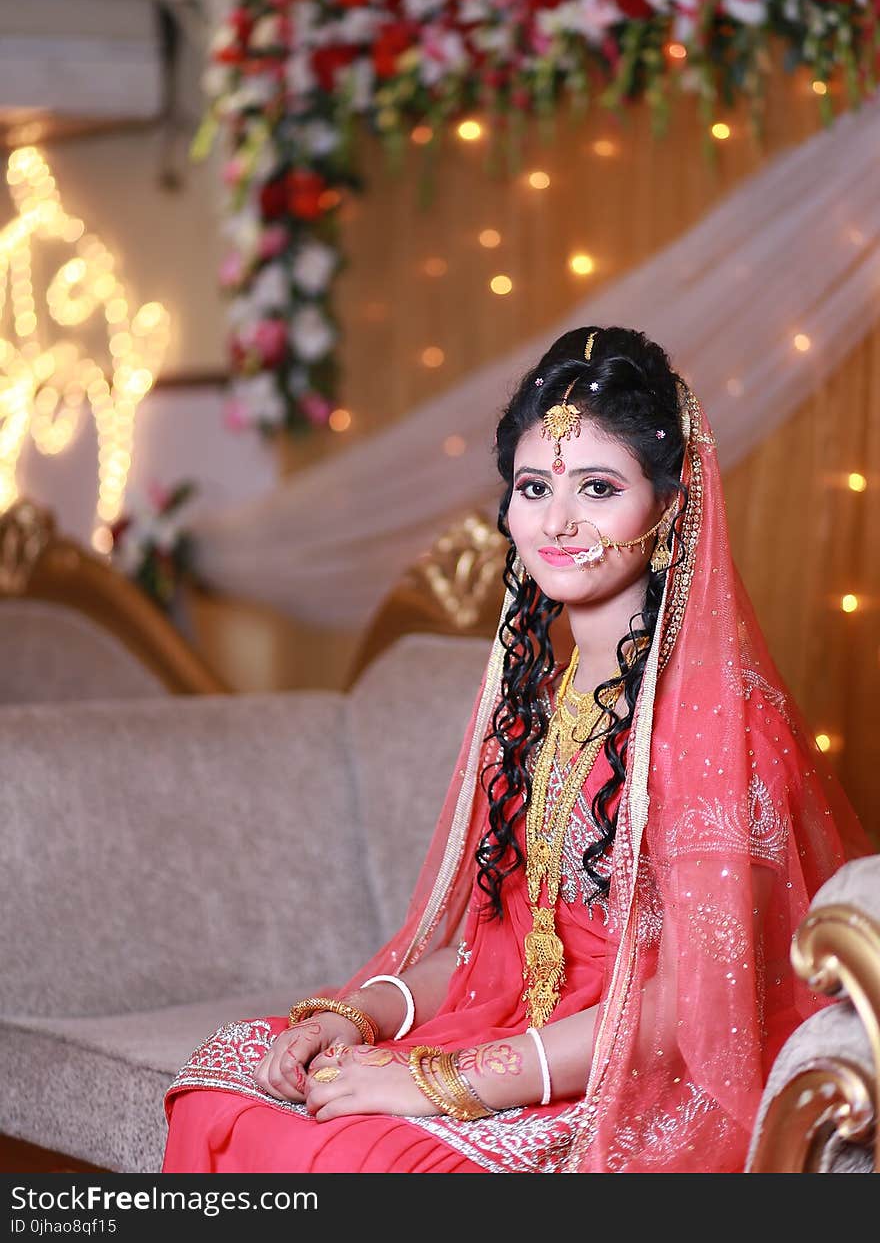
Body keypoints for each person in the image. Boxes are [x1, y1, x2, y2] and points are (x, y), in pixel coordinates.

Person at [162, 325, 871, 1173]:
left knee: (369, 1158)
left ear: (671, 506)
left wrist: (443, 1083)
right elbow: (484, 952)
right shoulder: (536, 702)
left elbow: (692, 1007)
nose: (559, 522)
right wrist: (351, 1020)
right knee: (224, 1094)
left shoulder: (726, 727)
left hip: (632, 1079)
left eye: (598, 489)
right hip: (516, 1033)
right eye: (535, 487)